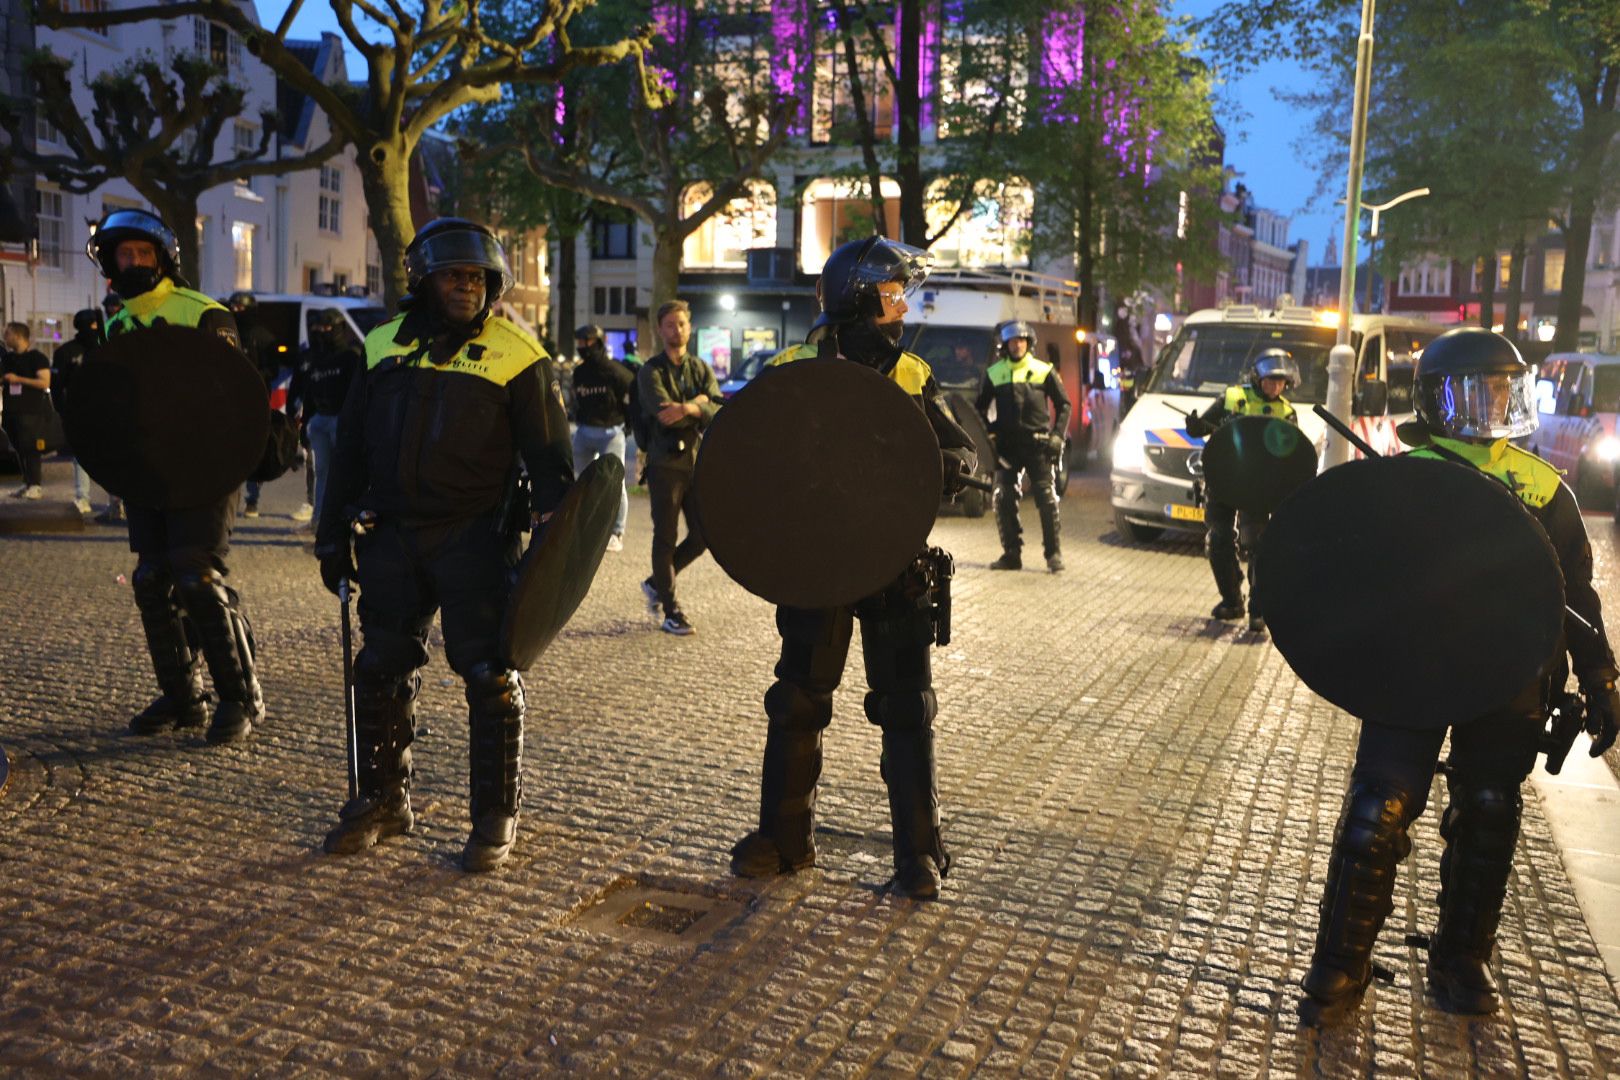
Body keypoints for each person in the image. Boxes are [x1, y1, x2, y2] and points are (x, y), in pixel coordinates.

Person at [1297, 327, 1620, 1024]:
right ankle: (1339, 964)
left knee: (1490, 811)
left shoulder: (1542, 487)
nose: (1490, 403)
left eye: (1502, 390)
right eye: (1474, 391)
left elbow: (1575, 595)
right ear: (1435, 401)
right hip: (1414, 668)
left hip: (1511, 671)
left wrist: (1600, 677)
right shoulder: (1406, 477)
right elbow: (1359, 571)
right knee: (1377, 810)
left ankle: (1463, 957)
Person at [315, 217, 573, 872]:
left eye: (477, 278)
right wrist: (330, 532)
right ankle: (382, 801)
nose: (466, 287)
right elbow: (349, 448)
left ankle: (494, 817)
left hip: (476, 538)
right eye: (453, 276)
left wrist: (549, 556)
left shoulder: (520, 355)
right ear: (424, 280)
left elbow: (553, 470)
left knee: (490, 677)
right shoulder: (381, 347)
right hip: (392, 535)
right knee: (380, 668)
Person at [729, 236, 976, 900]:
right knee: (797, 701)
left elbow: (960, 449)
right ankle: (783, 840)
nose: (903, 308)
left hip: (894, 563)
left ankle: (919, 854)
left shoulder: (913, 375)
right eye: (894, 296)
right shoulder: (792, 370)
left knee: (906, 709)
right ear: (861, 301)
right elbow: (749, 452)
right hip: (817, 562)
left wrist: (950, 464)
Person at [91, 207, 264, 745]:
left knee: (196, 576)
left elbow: (233, 395)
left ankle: (240, 696)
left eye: (144, 252)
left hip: (207, 468)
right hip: (150, 472)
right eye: (125, 254)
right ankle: (183, 695)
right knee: (151, 579)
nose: (135, 261)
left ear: (164, 258)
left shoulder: (205, 313)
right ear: (112, 263)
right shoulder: (117, 323)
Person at [1184, 348, 1299, 632]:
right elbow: (1203, 427)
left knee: (1258, 545)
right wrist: (1196, 426)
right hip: (1224, 477)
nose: (1275, 387)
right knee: (1219, 539)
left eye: (1280, 382)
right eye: (1270, 380)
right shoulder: (1232, 397)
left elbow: (1290, 451)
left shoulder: (1286, 412)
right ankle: (1232, 601)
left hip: (1258, 486)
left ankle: (1258, 609)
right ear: (1257, 378)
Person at [636, 300, 721, 636]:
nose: (677, 330)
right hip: (664, 464)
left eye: (682, 324)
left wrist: (688, 407)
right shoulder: (650, 372)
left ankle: (655, 583)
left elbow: (717, 409)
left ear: (690, 327)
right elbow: (664, 415)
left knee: (702, 537)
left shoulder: (700, 368)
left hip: (696, 463)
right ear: (660, 330)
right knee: (665, 538)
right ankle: (671, 611)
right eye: (670, 325)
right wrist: (698, 404)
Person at [976, 320, 1071, 573]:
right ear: (1005, 345)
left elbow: (1064, 404)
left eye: (1021, 340)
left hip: (1038, 446)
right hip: (1007, 447)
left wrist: (1057, 436)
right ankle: (1011, 555)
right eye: (1012, 341)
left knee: (1047, 499)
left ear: (1029, 343)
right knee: (1003, 498)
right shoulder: (994, 373)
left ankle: (1053, 554)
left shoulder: (1044, 370)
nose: (1017, 345)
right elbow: (979, 409)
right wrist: (990, 433)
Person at [569, 323, 634, 552]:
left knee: (615, 482)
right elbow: (577, 400)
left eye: (585, 342)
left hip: (611, 432)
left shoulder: (615, 370)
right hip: (585, 431)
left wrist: (628, 424)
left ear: (597, 342)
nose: (581, 346)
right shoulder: (579, 372)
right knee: (579, 482)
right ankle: (583, 527)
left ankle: (616, 531)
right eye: (579, 342)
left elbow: (632, 394)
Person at [298, 309, 361, 526]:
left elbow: (357, 394)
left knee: (344, 473)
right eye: (320, 328)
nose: (323, 332)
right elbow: (309, 393)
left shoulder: (350, 357)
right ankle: (320, 520)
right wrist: (305, 422)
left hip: (340, 420)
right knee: (321, 472)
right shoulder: (317, 358)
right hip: (320, 420)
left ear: (339, 328)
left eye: (328, 327)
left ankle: (343, 520)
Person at [229, 291, 285, 519]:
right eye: (232, 307)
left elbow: (274, 369)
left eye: (239, 308)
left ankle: (252, 499)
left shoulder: (263, 338)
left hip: (256, 401)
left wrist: (252, 377)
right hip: (230, 400)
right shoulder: (227, 333)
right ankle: (228, 497)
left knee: (254, 451)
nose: (235, 311)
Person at [50, 308, 104, 514]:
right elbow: (57, 385)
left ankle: (114, 500)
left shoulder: (104, 346)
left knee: (107, 454)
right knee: (82, 455)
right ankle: (84, 497)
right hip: (81, 410)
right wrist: (63, 410)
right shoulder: (68, 352)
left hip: (103, 409)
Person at [1, 321, 52, 500]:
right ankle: (27, 482)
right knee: (18, 447)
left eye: (7, 333)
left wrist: (18, 379)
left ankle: (36, 485)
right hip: (10, 410)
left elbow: (44, 382)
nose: (5, 337)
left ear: (18, 335)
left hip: (30, 410)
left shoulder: (37, 357)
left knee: (31, 447)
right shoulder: (8, 359)